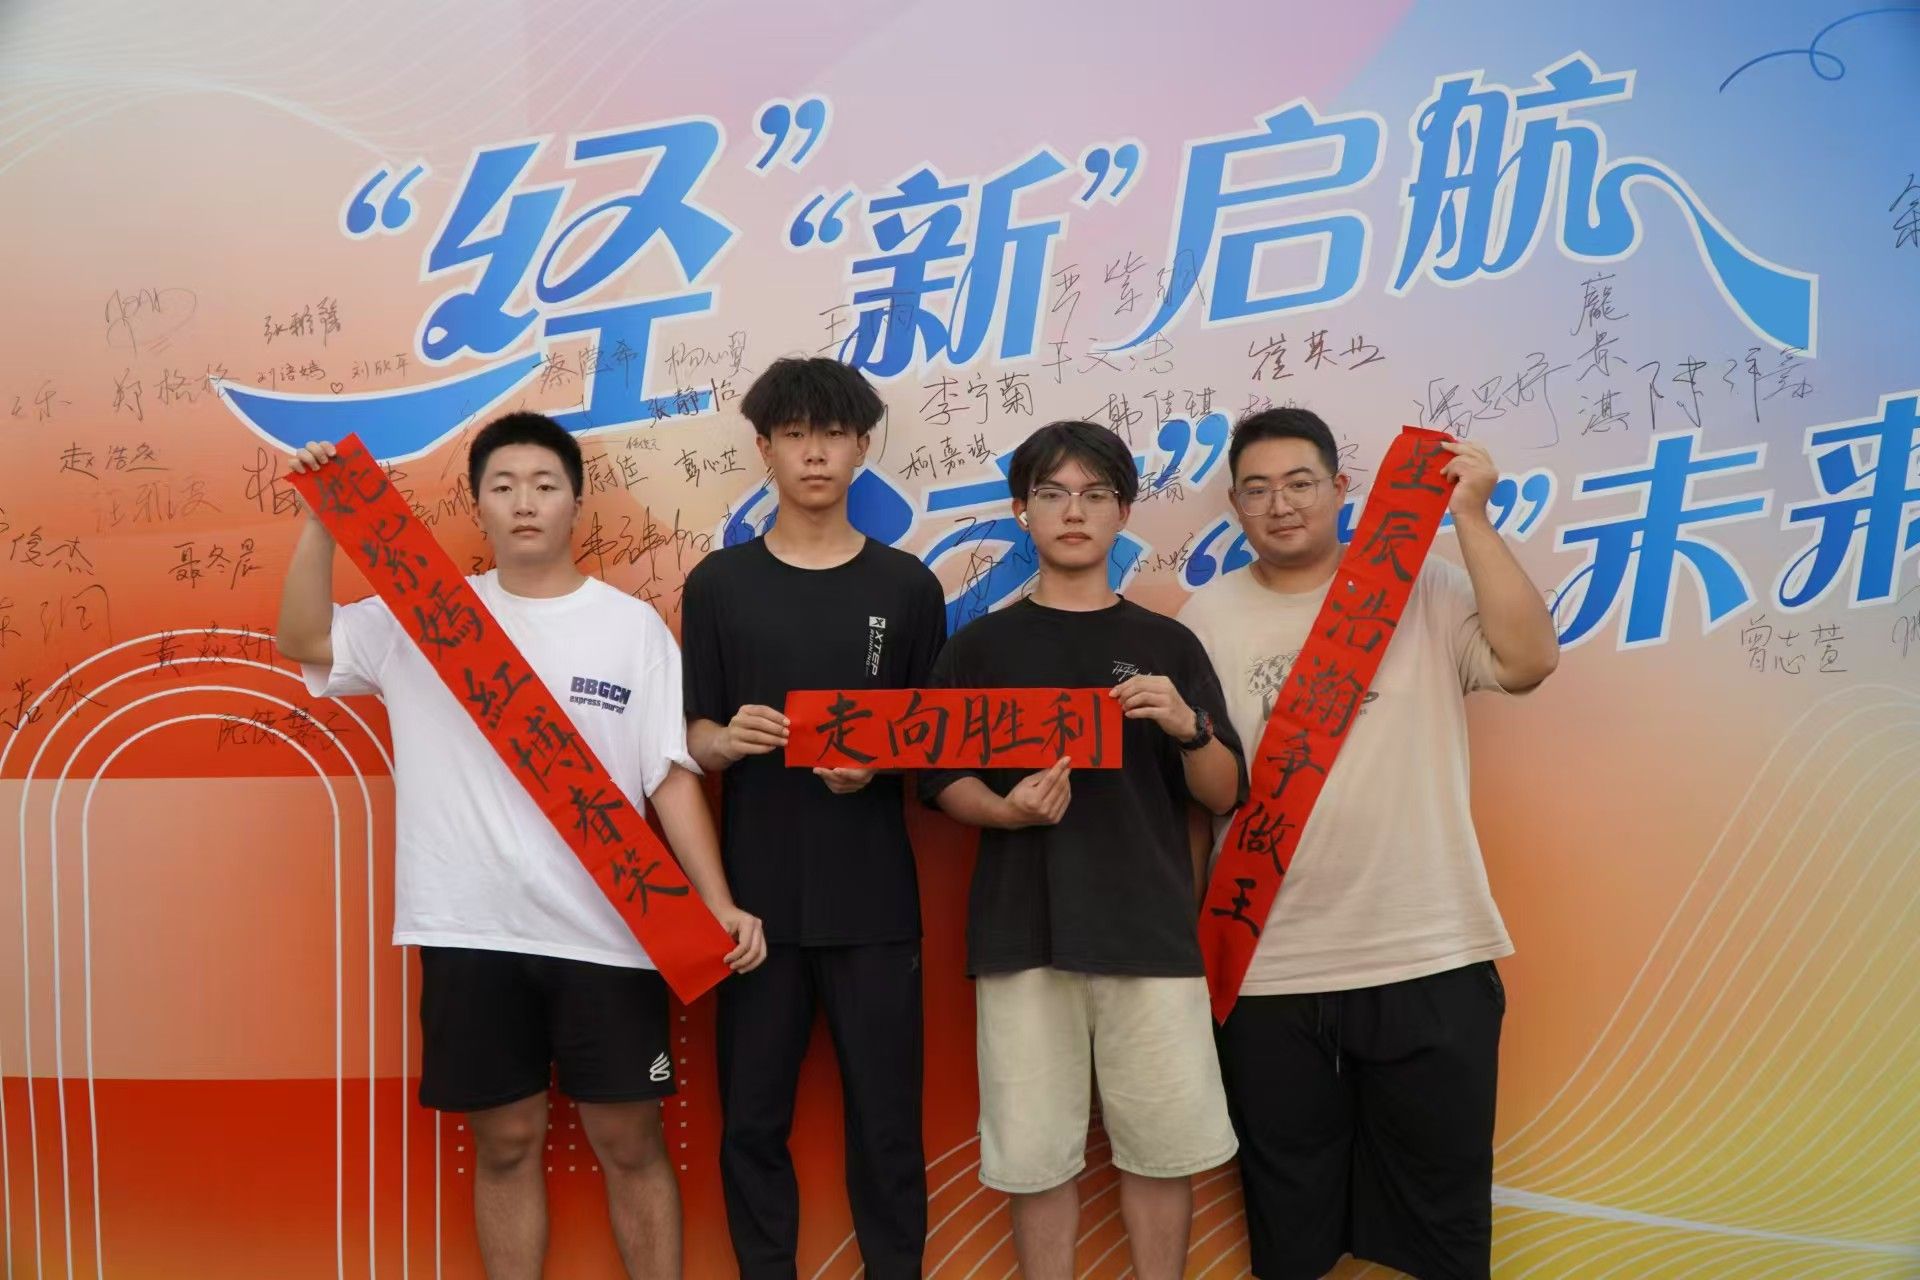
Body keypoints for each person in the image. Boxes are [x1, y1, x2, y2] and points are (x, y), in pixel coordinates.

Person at [276, 411, 766, 1280]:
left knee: (630, 1139)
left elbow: (668, 776)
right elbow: (304, 640)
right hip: (469, 928)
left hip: (613, 930)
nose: (525, 502)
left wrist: (716, 900)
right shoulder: (426, 617)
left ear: (575, 501)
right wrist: (324, 520)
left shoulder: (630, 628)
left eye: (544, 485)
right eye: (503, 487)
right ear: (479, 506)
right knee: (504, 1142)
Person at [1180, 407, 1560, 1280]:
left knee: (1443, 1216)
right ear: (1235, 506)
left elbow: (1530, 661)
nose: (1281, 505)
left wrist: (1470, 517)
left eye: (1300, 483)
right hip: (1269, 964)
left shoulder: (1420, 587)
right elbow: (1204, 794)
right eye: (1257, 490)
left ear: (1341, 488)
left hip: (1426, 946)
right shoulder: (1206, 618)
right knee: (1289, 1221)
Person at [920, 419, 1246, 1280]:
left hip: (1150, 932)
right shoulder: (978, 648)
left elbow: (1224, 793)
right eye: (1054, 494)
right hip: (1023, 930)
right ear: (1022, 511)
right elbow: (940, 779)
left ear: (1123, 512)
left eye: (1096, 495)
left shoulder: (1169, 645)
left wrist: (1187, 725)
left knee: (1164, 1152)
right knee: (1035, 1159)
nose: (1075, 512)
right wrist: (1007, 811)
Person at [681, 357, 947, 1280]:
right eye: (794, 435)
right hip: (754, 907)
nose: (815, 454)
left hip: (874, 904)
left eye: (832, 434)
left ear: (862, 447)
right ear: (765, 448)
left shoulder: (908, 587)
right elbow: (692, 736)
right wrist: (726, 740)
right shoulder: (720, 584)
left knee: (888, 1125)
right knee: (752, 1123)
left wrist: (880, 761)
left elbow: (933, 740)